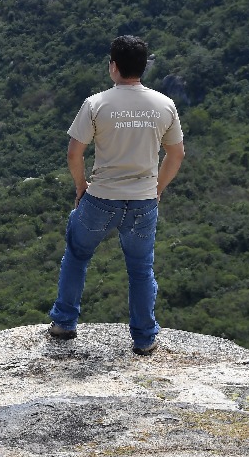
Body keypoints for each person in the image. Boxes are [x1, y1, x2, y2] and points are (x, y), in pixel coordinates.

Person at [47, 35, 185, 355]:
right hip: (143, 201)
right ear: (143, 68)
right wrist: (157, 189)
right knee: (140, 269)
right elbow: (176, 154)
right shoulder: (165, 105)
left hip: (101, 198)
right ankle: (144, 337)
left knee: (78, 254)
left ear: (113, 67)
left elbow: (73, 153)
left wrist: (81, 187)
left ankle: (65, 321)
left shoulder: (96, 104)